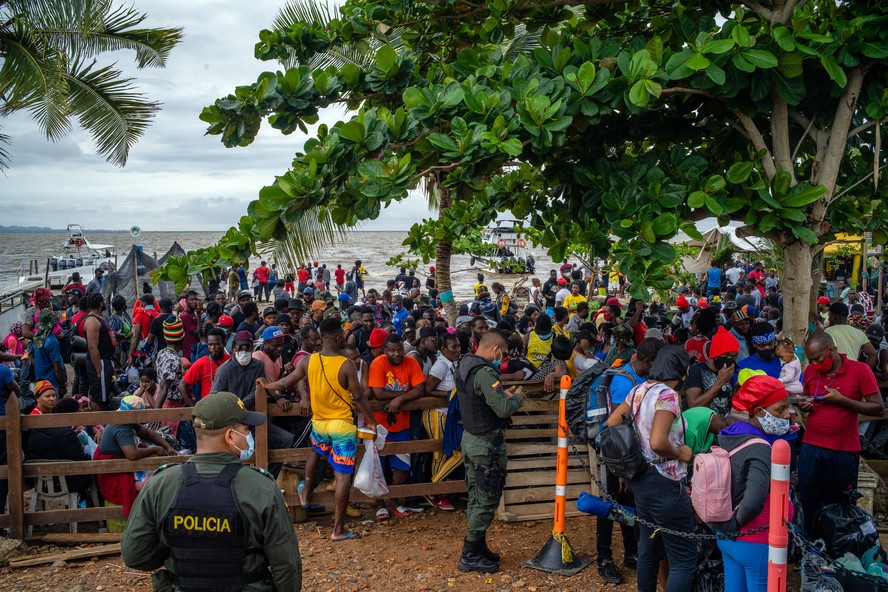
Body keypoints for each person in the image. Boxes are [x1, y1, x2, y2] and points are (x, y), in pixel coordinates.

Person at [121, 391, 302, 592]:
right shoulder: (261, 487)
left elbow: (135, 555)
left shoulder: (160, 484)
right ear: (231, 436)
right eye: (246, 428)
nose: (249, 435)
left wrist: (178, 553)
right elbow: (286, 564)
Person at [261, 317, 376, 541]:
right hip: (342, 425)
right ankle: (338, 530)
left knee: (316, 452)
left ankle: (305, 493)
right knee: (343, 478)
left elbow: (285, 383)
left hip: (320, 422)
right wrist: (371, 420)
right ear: (337, 337)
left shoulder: (308, 361)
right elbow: (360, 397)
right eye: (342, 334)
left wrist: (265, 386)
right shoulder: (346, 364)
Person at [606, 346, 695, 592]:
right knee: (683, 559)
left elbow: (612, 423)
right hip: (664, 481)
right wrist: (680, 452)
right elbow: (658, 443)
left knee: (649, 549)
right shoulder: (667, 396)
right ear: (681, 371)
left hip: (641, 480)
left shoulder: (638, 390)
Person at [713, 376, 794, 592]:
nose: (787, 415)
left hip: (726, 537)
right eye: (780, 409)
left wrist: (728, 528)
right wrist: (736, 526)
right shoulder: (760, 448)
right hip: (752, 539)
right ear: (759, 412)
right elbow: (754, 498)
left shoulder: (731, 434)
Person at [593, 337, 665, 584]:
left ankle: (630, 552)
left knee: (626, 504)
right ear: (647, 361)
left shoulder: (638, 377)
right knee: (610, 504)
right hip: (615, 453)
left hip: (629, 454)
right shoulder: (625, 384)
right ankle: (604, 558)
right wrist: (621, 470)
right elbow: (617, 429)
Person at [798, 332, 883, 532]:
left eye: (818, 358)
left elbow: (878, 408)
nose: (814, 364)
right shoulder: (811, 371)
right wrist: (805, 404)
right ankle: (812, 547)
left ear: (831, 350)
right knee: (809, 499)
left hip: (842, 450)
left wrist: (843, 400)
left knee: (840, 503)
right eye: (810, 360)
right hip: (812, 446)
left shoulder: (859, 370)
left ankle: (839, 549)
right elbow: (807, 395)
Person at [455, 331, 524, 573]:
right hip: (486, 444)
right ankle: (469, 553)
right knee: (487, 500)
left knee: (476, 496)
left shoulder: (464, 364)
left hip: (471, 439)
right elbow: (504, 409)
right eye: (502, 353)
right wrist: (517, 398)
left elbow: (478, 399)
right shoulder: (485, 372)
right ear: (495, 349)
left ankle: (478, 545)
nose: (502, 358)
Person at [368, 333, 426, 519]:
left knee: (402, 464)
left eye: (399, 349)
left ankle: (393, 501)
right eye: (392, 350)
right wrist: (401, 395)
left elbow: (420, 389)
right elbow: (378, 392)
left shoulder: (411, 362)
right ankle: (379, 505)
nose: (396, 353)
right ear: (385, 351)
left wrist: (400, 399)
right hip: (379, 424)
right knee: (378, 466)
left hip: (402, 424)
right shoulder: (378, 363)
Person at [96, 396, 176, 516]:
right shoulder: (121, 426)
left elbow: (147, 432)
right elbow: (132, 454)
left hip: (118, 460)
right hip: (114, 467)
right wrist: (154, 449)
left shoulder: (127, 421)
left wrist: (167, 446)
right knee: (153, 483)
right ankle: (146, 513)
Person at [684, 326, 738, 415]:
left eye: (734, 356)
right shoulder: (697, 370)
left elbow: (728, 403)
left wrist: (736, 389)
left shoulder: (729, 369)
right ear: (715, 354)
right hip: (704, 425)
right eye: (725, 355)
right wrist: (720, 382)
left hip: (723, 425)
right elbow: (693, 405)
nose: (729, 359)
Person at [83, 293, 117, 409]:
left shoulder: (100, 318)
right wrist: (98, 368)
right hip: (99, 361)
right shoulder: (92, 321)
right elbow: (92, 347)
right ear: (100, 303)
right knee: (99, 395)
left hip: (105, 360)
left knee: (103, 393)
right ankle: (99, 423)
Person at [825, 302, 878, 369]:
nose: (829, 319)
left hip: (838, 375)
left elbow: (832, 354)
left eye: (829, 316)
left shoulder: (829, 331)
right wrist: (864, 373)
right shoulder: (859, 333)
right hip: (854, 374)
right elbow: (873, 354)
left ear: (834, 316)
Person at [32, 309, 67, 395]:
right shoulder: (52, 341)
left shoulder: (37, 338)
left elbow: (30, 355)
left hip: (40, 383)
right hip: (52, 384)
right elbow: (58, 368)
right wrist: (63, 385)